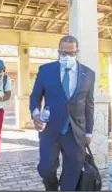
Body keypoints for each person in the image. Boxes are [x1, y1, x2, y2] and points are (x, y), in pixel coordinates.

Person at [30, 35, 95, 191]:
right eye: (63, 53)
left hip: (76, 132)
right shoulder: (45, 70)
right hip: (50, 130)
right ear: (58, 52)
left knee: (72, 172)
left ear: (76, 52)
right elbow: (35, 96)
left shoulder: (88, 74)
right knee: (45, 169)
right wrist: (36, 113)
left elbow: (89, 105)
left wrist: (88, 132)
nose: (67, 56)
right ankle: (52, 188)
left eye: (71, 53)